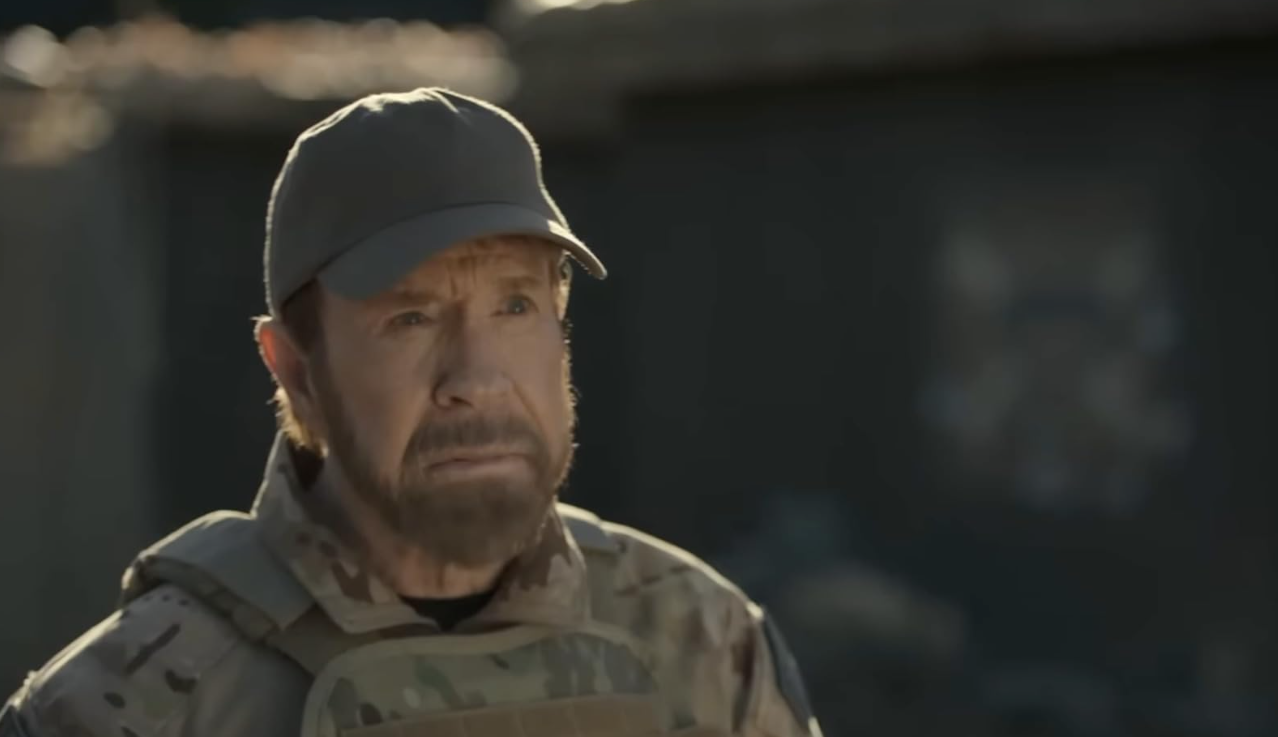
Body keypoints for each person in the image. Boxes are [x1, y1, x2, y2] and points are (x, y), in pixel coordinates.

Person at [0, 88, 822, 737]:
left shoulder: (702, 642)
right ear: (295, 371)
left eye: (515, 306)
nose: (479, 380)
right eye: (412, 317)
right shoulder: (133, 703)